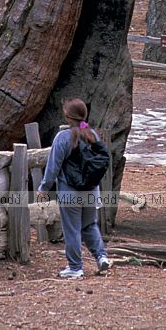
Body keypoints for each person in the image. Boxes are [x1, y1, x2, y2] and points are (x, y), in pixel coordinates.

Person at [36, 98, 112, 279]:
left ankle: (75, 267)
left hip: (70, 192)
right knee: (90, 225)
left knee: (72, 229)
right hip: (92, 191)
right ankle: (101, 256)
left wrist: (44, 187)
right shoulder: (93, 134)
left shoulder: (62, 138)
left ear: (67, 116)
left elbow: (53, 167)